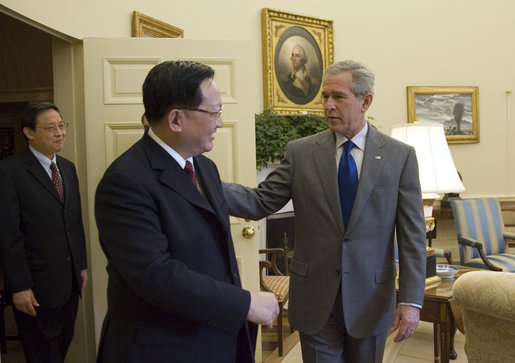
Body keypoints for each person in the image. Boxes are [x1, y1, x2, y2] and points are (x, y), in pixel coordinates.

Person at [223, 60, 427, 362]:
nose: (328, 105)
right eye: (324, 97)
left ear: (365, 100)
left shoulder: (400, 157)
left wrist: (411, 300)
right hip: (315, 297)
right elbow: (260, 201)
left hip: (371, 298)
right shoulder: (301, 152)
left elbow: (412, 236)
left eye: (339, 97)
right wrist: (200, 180)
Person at [94, 60, 279, 362]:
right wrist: (243, 304)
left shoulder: (205, 167)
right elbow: (156, 275)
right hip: (163, 348)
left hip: (213, 338)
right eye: (214, 112)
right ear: (176, 119)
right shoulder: (125, 181)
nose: (220, 122)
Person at [0, 102, 88, 362]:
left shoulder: (68, 168)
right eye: (51, 128)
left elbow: (74, 221)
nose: (60, 133)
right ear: (29, 132)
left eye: (62, 126)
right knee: (41, 354)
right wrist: (19, 286)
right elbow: (8, 234)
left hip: (69, 282)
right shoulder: (9, 171)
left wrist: (80, 265)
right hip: (34, 287)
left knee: (60, 349)